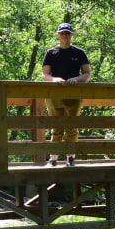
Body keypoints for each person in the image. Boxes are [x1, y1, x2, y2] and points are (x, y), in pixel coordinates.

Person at [41, 21, 91, 166]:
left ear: (71, 35)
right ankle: (53, 158)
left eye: (67, 33)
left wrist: (76, 79)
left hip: (74, 95)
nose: (65, 36)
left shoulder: (79, 53)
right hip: (54, 95)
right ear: (58, 35)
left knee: (72, 126)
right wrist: (54, 79)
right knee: (56, 126)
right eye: (62, 33)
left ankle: (70, 158)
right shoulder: (51, 53)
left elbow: (87, 74)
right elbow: (45, 75)